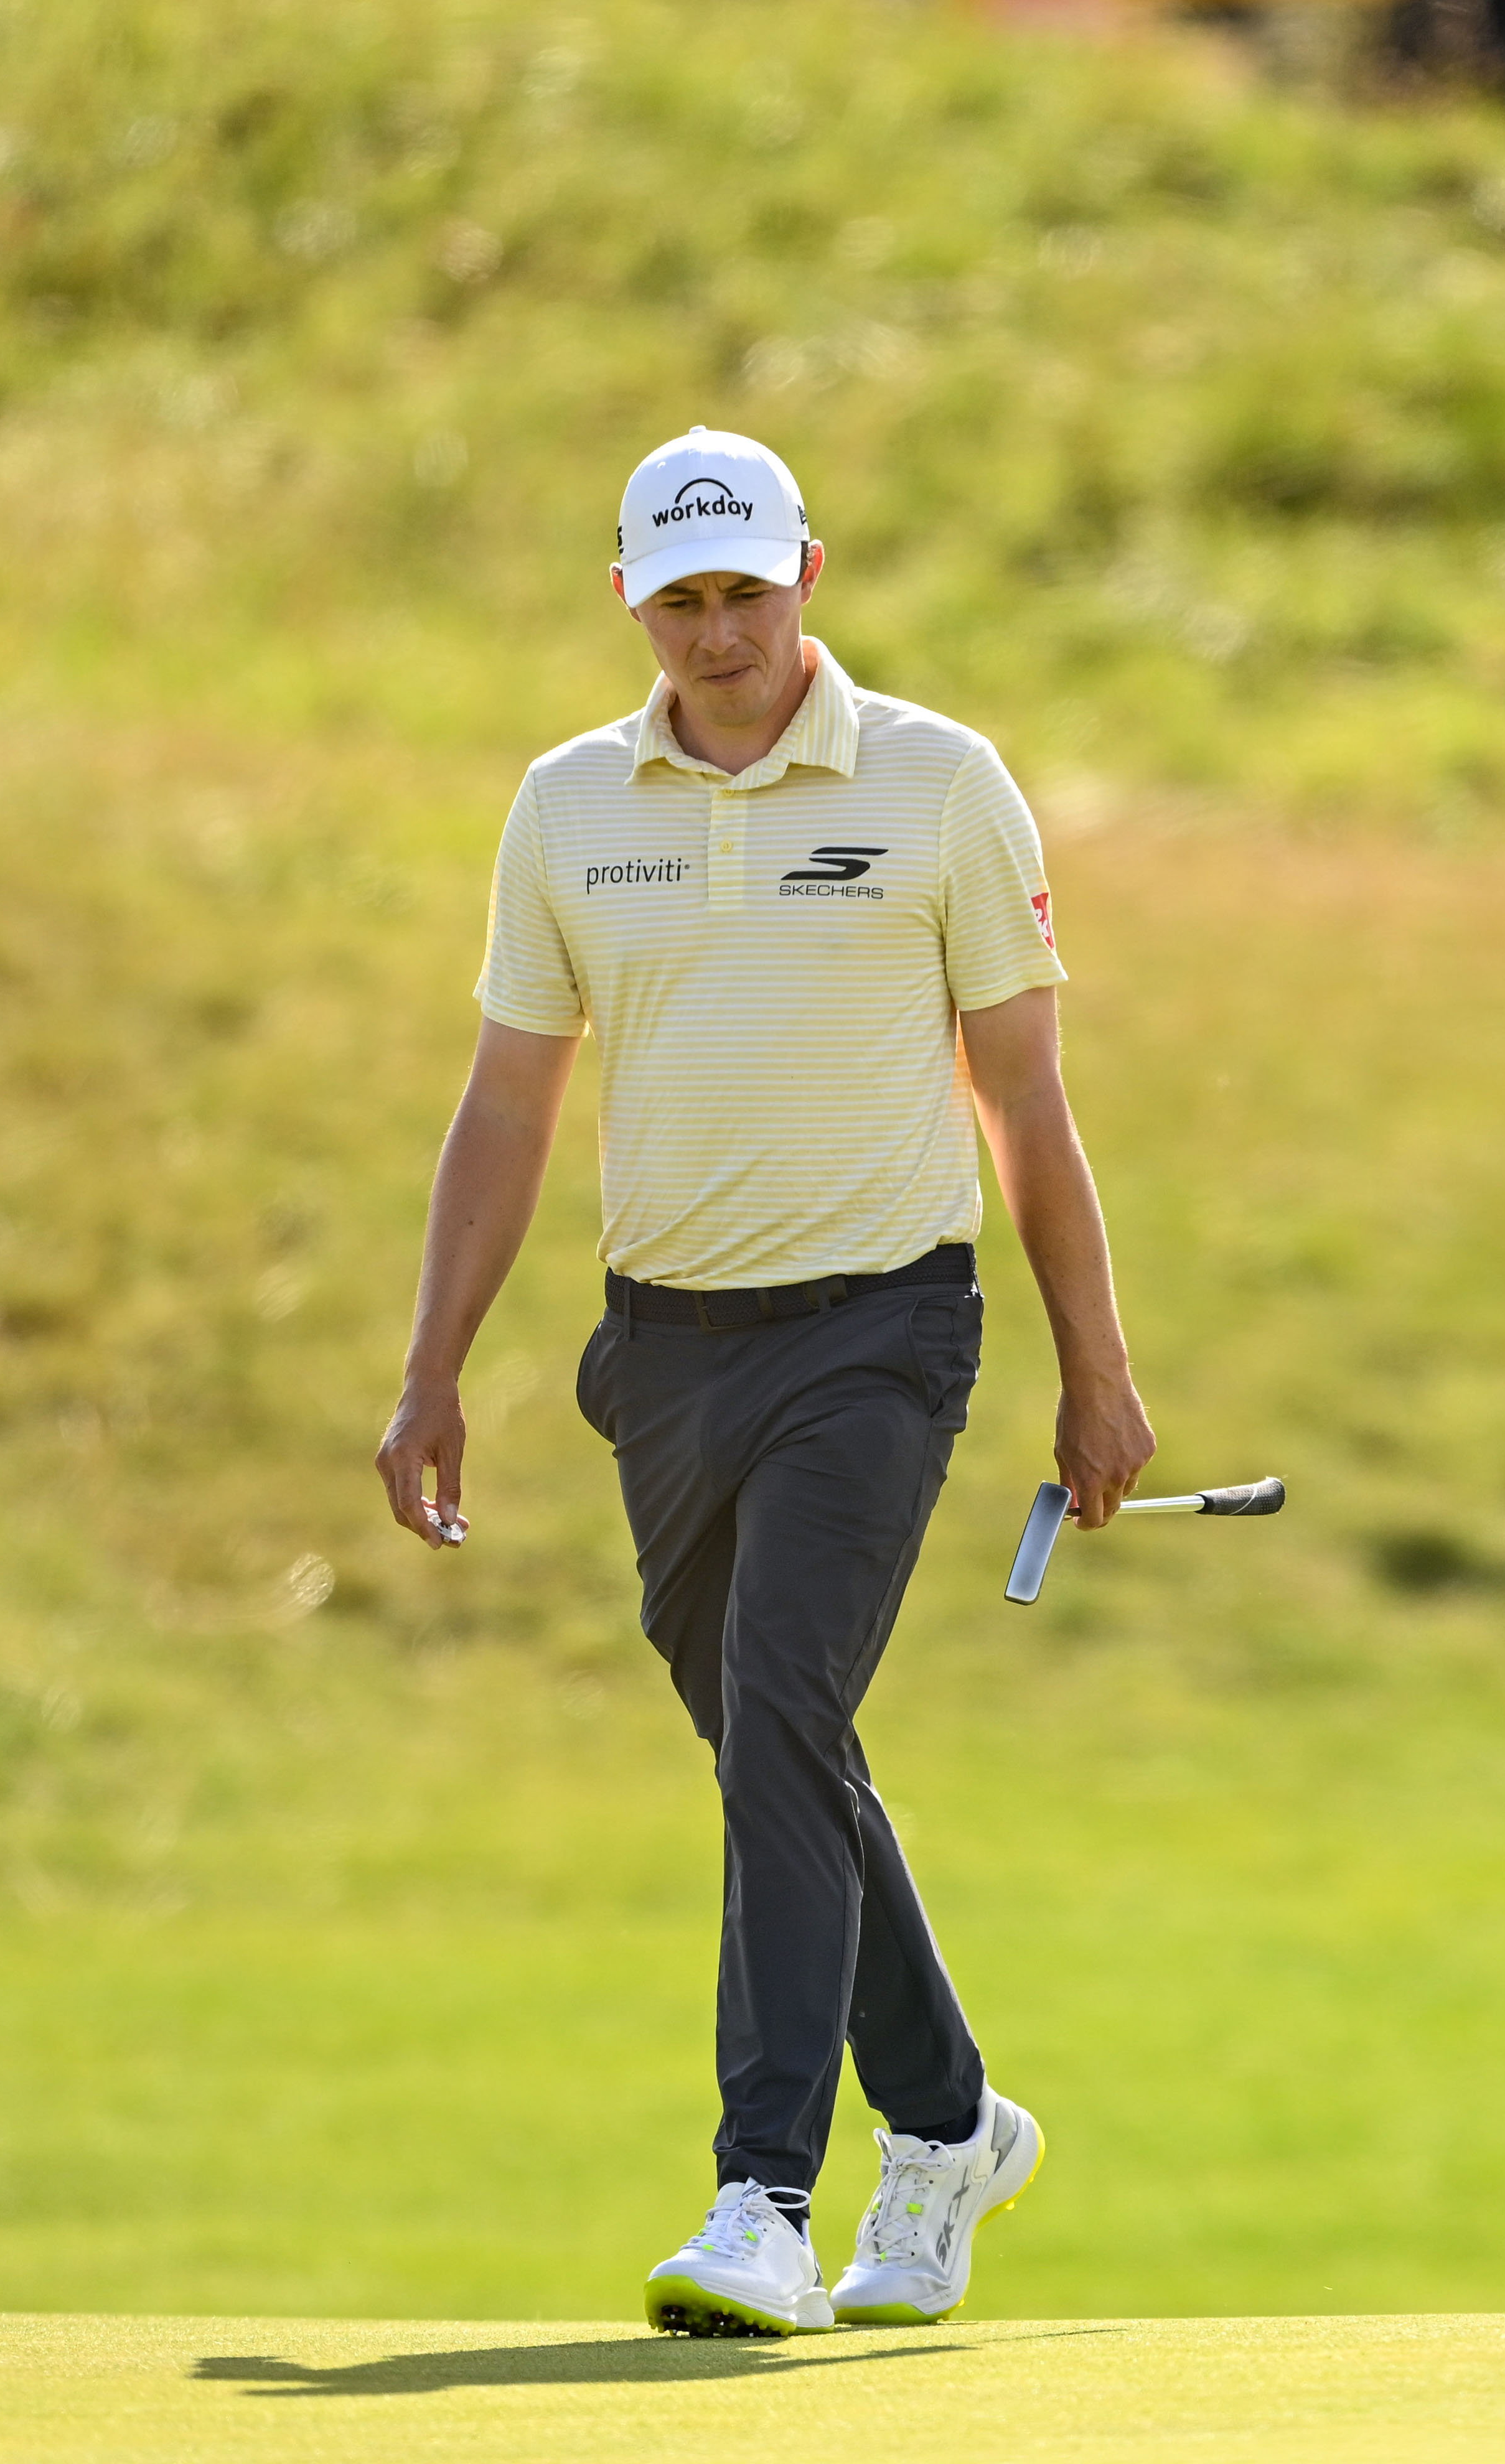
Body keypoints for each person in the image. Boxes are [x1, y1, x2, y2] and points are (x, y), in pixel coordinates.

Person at [371, 426, 1158, 2336]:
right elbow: (506, 1101)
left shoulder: (939, 784)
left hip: (882, 1336)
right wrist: (431, 1372)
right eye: (682, 600)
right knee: (773, 1744)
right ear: (631, 602)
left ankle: (761, 2196)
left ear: (808, 570)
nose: (719, 634)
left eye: (747, 590)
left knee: (782, 1705)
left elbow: (1025, 1098)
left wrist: (1095, 1366)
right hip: (664, 1357)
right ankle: (955, 2121)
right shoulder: (568, 807)